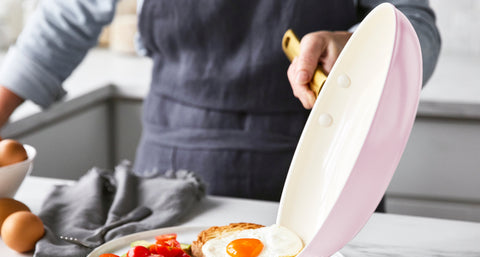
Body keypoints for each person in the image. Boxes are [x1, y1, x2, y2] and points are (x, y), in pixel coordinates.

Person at [0, 0, 441, 205]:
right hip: (169, 174)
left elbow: (414, 24)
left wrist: (362, 46)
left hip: (323, 165)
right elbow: (70, 13)